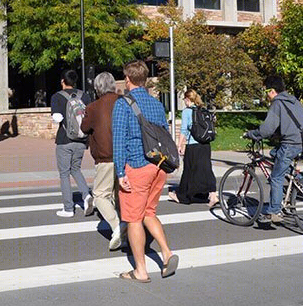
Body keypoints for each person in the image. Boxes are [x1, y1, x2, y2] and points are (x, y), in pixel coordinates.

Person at [112, 60, 178, 282]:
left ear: (128, 79)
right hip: (159, 166)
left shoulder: (123, 105)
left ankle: (140, 270)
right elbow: (164, 134)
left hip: (137, 165)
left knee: (133, 218)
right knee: (149, 212)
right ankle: (167, 253)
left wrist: (120, 173)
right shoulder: (156, 104)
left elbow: (119, 141)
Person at [246, 74, 303, 224]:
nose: (266, 95)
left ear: (272, 91)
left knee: (276, 177)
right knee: (274, 153)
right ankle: (296, 177)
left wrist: (252, 134)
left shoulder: (277, 104)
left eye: (266, 91)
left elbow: (266, 129)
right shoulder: (294, 101)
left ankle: (273, 211)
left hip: (290, 144)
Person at [80, 72, 123, 250]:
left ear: (97, 88)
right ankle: (127, 227)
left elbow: (84, 128)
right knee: (119, 194)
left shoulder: (93, 107)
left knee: (99, 196)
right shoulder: (124, 101)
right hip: (124, 155)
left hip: (105, 156)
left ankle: (117, 226)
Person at [51, 69, 93, 218]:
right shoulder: (85, 96)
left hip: (64, 140)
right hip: (81, 140)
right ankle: (87, 196)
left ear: (63, 81)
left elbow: (57, 118)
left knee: (64, 174)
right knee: (76, 169)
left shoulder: (57, 97)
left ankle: (68, 208)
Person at [169, 89, 218, 207]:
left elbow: (184, 130)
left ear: (187, 99)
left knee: (189, 170)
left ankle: (183, 196)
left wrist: (179, 144)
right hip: (205, 145)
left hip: (193, 144)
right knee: (206, 169)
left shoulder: (187, 111)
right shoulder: (203, 110)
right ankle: (212, 194)